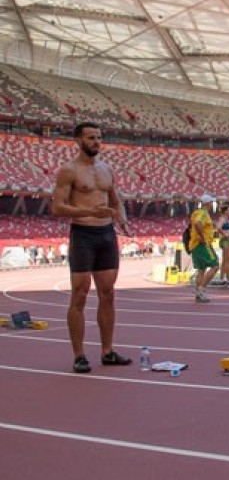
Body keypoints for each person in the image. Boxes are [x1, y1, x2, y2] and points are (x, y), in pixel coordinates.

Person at [52, 122, 133, 374]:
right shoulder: (69, 171)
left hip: (106, 234)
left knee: (107, 293)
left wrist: (123, 221)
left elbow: (116, 201)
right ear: (78, 140)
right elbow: (57, 207)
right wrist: (90, 211)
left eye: (98, 137)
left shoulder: (107, 169)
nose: (96, 141)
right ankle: (79, 355)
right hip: (83, 233)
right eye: (90, 137)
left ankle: (107, 351)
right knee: (80, 294)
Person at [189, 194, 219, 302]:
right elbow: (197, 223)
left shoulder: (197, 212)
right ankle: (202, 289)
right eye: (211, 202)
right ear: (207, 203)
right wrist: (202, 236)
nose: (212, 204)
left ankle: (199, 294)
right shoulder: (203, 213)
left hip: (195, 244)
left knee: (201, 269)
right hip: (202, 244)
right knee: (215, 265)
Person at [216, 205, 229, 285]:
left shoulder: (227, 220)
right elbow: (218, 228)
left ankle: (222, 278)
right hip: (225, 240)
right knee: (227, 259)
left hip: (227, 239)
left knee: (225, 260)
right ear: (225, 211)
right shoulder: (222, 219)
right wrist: (224, 234)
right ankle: (228, 278)